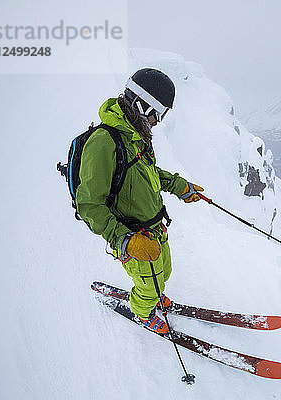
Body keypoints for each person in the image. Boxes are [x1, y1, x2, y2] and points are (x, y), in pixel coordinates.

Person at [76, 68, 203, 334]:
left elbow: (148, 173)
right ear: (141, 104)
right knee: (148, 283)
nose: (158, 120)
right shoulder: (104, 142)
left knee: (163, 272)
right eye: (157, 112)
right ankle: (144, 312)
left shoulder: (136, 135)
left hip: (155, 228)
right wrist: (125, 240)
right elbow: (88, 205)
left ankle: (154, 297)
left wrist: (182, 187)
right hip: (134, 234)